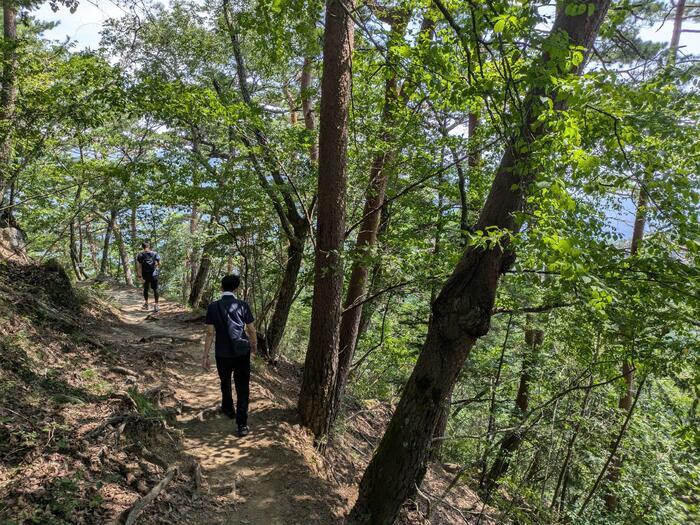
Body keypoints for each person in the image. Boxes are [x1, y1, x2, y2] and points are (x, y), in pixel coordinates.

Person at [202, 274, 257, 437]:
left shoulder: (213, 307)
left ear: (221, 287)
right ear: (237, 288)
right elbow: (251, 329)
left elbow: (210, 333)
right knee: (242, 387)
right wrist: (253, 345)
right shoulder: (242, 305)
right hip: (241, 352)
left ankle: (228, 408)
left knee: (225, 381)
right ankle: (242, 424)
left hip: (222, 353)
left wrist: (205, 355)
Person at [136, 242, 161, 312]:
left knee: (146, 289)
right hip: (154, 275)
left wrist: (139, 275)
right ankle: (156, 305)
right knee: (155, 289)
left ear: (142, 247)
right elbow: (159, 264)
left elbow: (139, 266)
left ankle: (146, 304)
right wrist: (156, 270)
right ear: (149, 246)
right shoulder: (155, 254)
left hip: (145, 275)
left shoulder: (140, 255)